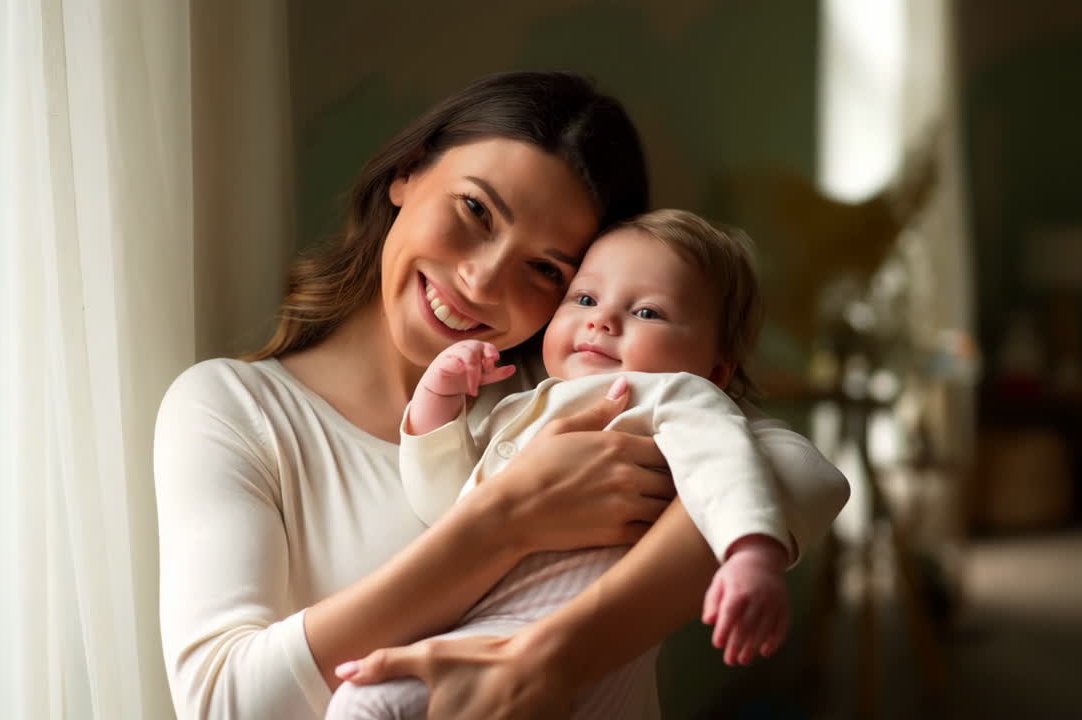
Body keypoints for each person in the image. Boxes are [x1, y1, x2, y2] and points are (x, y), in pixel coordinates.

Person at [154, 71, 849, 720]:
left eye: (546, 268)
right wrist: (507, 518)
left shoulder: (574, 395)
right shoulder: (234, 409)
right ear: (408, 171)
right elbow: (224, 701)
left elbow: (798, 472)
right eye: (476, 210)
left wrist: (553, 659)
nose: (483, 283)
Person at [326, 210, 804, 719]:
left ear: (714, 370)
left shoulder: (676, 398)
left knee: (368, 702)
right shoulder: (516, 410)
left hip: (568, 642)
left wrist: (751, 553)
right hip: (489, 636)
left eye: (647, 313)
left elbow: (727, 465)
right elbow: (446, 504)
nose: (601, 320)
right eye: (584, 298)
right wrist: (437, 402)